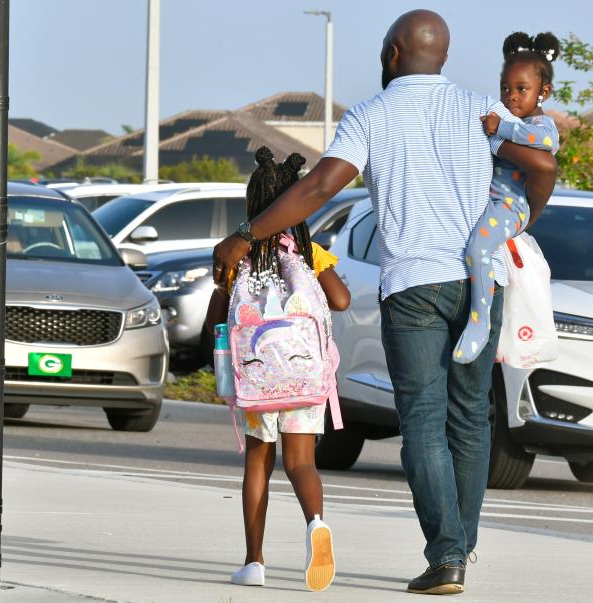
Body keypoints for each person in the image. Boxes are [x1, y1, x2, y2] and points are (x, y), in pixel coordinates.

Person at [212, 10, 556, 595]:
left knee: (423, 419)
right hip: (480, 281)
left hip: (415, 284)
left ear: (393, 53)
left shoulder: (372, 115)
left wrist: (248, 233)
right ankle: (459, 550)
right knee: (471, 415)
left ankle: (447, 553)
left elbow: (320, 187)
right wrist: (521, 218)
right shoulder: (481, 108)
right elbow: (543, 166)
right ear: (441, 56)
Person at [203, 147, 350, 592]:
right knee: (302, 461)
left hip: (258, 378)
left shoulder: (238, 261)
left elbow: (215, 320)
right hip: (304, 378)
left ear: (252, 206)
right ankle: (315, 523)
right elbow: (341, 300)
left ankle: (254, 562)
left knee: (258, 460)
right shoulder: (310, 255)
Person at [453, 32, 562, 363]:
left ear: (543, 92)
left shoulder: (541, 124)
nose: (511, 96)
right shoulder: (507, 119)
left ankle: (480, 323)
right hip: (488, 202)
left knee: (478, 249)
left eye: (521, 89)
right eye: (505, 88)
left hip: (510, 206)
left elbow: (546, 145)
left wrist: (502, 129)